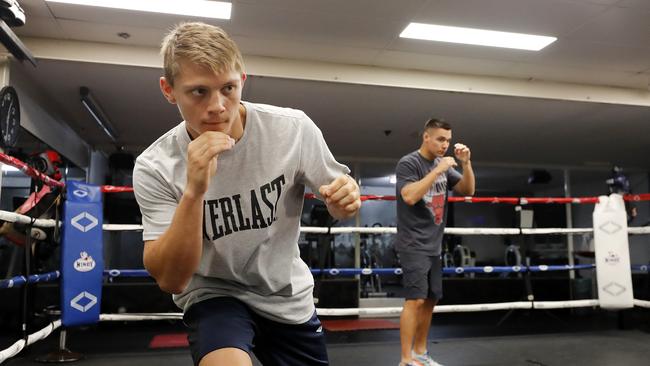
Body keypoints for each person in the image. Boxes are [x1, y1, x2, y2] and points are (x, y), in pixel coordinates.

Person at [132, 22, 361, 366]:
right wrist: (194, 192)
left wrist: (345, 200)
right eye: (198, 92)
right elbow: (172, 278)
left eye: (228, 87)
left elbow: (342, 201)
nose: (218, 106)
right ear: (168, 89)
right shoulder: (156, 165)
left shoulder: (292, 129)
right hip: (214, 293)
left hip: (285, 294)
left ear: (243, 79)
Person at [394, 118, 475, 366]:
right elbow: (409, 196)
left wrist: (466, 164)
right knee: (415, 299)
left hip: (434, 245)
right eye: (440, 139)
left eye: (448, 140)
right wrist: (437, 171)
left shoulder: (443, 164)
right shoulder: (409, 163)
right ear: (426, 137)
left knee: (430, 300)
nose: (445, 145)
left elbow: (467, 190)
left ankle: (420, 353)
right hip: (413, 243)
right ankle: (406, 360)